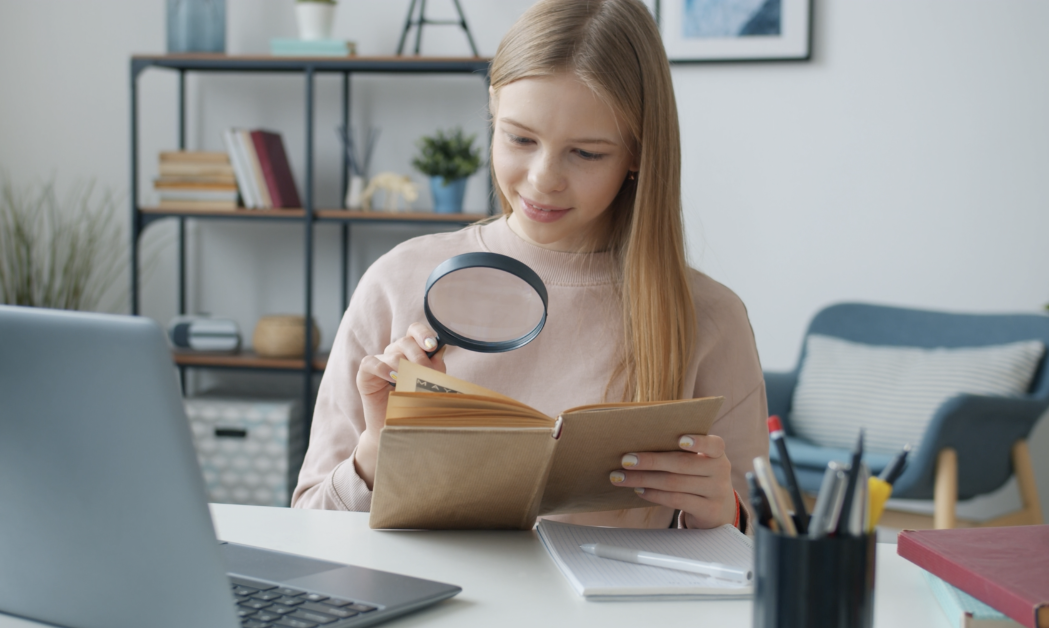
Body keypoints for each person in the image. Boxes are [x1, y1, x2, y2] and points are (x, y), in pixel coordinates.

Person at [292, 0, 768, 531]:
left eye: (586, 153)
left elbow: (762, 560)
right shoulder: (397, 280)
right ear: (492, 108)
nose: (544, 180)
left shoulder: (710, 318)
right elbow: (309, 527)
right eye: (519, 138)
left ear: (638, 152)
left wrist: (723, 514)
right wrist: (376, 452)